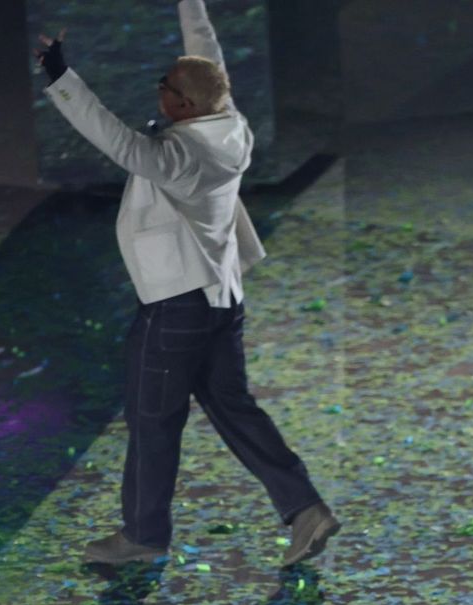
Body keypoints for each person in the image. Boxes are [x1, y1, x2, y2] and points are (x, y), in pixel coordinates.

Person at [35, 2, 338, 567]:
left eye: (166, 84)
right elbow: (207, 55)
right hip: (222, 298)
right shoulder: (231, 125)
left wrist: (60, 78)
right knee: (234, 406)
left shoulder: (178, 155)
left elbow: (116, 140)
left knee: (152, 420)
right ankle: (304, 508)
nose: (159, 87)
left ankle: (143, 536)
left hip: (176, 308)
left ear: (184, 105)